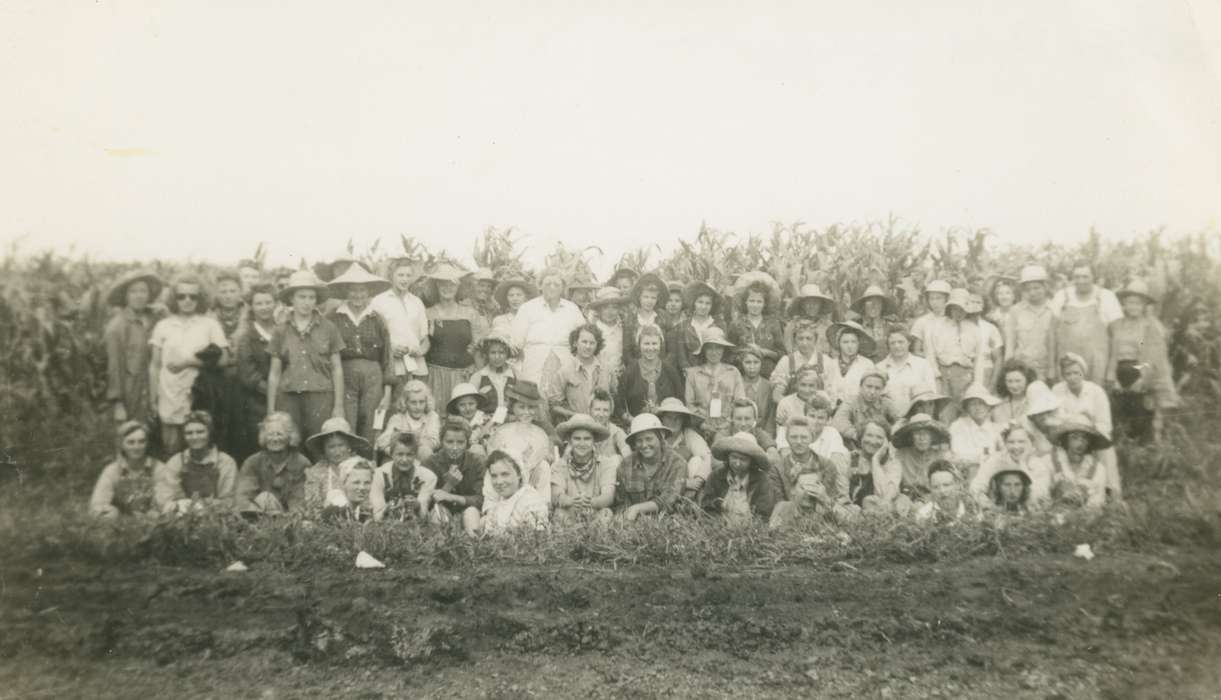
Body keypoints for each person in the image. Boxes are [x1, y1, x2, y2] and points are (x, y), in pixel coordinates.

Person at [149, 273, 231, 455]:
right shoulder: (163, 326)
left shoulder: (209, 325)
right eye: (181, 296)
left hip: (199, 395)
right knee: (171, 449)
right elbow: (154, 365)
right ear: (174, 298)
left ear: (200, 299)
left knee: (200, 447)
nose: (187, 300)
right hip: (169, 395)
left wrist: (188, 362)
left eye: (193, 296)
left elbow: (224, 359)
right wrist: (153, 399)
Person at [266, 270, 345, 451]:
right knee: (291, 444)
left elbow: (337, 368)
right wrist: (271, 411)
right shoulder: (281, 330)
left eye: (311, 297)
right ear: (291, 299)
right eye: (301, 297)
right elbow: (274, 373)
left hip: (321, 396)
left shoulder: (328, 328)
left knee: (318, 446)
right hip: (288, 397)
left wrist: (338, 406)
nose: (306, 302)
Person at [325, 266, 395, 446]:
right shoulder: (334, 317)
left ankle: (367, 466)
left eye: (362, 290)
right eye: (353, 290)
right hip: (344, 376)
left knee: (372, 424)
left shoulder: (377, 318)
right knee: (346, 421)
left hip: (373, 376)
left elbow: (387, 356)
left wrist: (387, 394)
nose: (358, 295)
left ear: (369, 292)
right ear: (346, 291)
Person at [1106, 279, 1180, 443]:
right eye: (1130, 302)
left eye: (1138, 303)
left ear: (1145, 305)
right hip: (1119, 374)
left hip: (1139, 373)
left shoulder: (1150, 327)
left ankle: (1140, 449)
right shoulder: (1116, 325)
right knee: (1118, 415)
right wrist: (1113, 378)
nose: (1133, 307)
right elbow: (1111, 353)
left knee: (1140, 416)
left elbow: (1154, 357)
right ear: (1123, 304)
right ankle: (1122, 448)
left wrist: (1142, 380)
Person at [1052, 352, 1120, 498]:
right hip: (1066, 437)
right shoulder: (1057, 391)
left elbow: (1105, 424)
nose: (1072, 377)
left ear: (1084, 373)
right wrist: (1074, 421)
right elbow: (1054, 420)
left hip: (1092, 436)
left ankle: (1111, 493)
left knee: (1107, 451)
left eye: (1077, 373)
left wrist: (1088, 429)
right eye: (1068, 374)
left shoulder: (1096, 392)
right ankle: (1064, 491)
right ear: (1063, 376)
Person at [511, 268, 587, 398]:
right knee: (535, 402)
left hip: (565, 364)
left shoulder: (572, 309)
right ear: (540, 286)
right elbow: (516, 343)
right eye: (547, 284)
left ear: (563, 287)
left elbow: (584, 337)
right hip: (534, 364)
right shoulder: (528, 308)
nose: (552, 287)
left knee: (562, 400)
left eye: (557, 284)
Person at [103, 269, 163, 426]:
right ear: (126, 296)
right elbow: (114, 367)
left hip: (155, 387)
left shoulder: (155, 319)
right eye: (133, 291)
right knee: (133, 433)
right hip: (131, 391)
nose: (139, 296)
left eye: (143, 291)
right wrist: (118, 403)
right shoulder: (117, 327)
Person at [768, 416, 851, 526]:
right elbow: (779, 505)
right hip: (790, 520)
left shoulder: (826, 465)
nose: (799, 442)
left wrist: (823, 496)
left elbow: (831, 500)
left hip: (821, 519)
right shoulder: (778, 469)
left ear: (812, 438)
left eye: (804, 437)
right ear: (787, 438)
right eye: (793, 437)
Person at [425, 264, 487, 409]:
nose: (448, 288)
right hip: (436, 375)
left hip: (463, 374)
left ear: (458, 287)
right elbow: (423, 343)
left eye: (452, 284)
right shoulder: (428, 313)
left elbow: (478, 347)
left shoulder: (470, 313)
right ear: (436, 287)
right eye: (443, 284)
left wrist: (478, 373)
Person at [1050, 262, 1121, 385]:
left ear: (1094, 277)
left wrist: (1111, 370)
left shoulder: (1106, 297)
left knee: (1095, 399)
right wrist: (1051, 367)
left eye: (1085, 277)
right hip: (1067, 364)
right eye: (1077, 277)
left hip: (1097, 366)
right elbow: (1051, 333)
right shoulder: (1062, 296)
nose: (1080, 281)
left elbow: (1117, 336)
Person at [485, 380, 555, 506]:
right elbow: (489, 438)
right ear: (513, 407)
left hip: (532, 471)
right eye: (521, 407)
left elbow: (551, 445)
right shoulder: (504, 423)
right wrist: (501, 413)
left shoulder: (542, 425)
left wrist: (544, 456)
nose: (526, 412)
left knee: (544, 467)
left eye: (531, 408)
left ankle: (543, 506)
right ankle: (492, 506)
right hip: (507, 471)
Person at [154, 410, 238, 514]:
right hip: (183, 518)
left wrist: (198, 507)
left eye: (200, 432)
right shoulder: (176, 462)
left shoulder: (225, 462)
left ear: (209, 433)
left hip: (217, 518)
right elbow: (168, 497)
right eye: (189, 433)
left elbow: (228, 501)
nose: (194, 437)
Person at [232, 284, 278, 462]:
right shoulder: (246, 336)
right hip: (255, 402)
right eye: (259, 303)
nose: (265, 307)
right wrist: (273, 393)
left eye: (268, 302)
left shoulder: (283, 330)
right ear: (251, 306)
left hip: (282, 397)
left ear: (275, 304)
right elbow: (249, 376)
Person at [236, 411, 313, 514]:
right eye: (270, 434)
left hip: (289, 519)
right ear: (264, 436)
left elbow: (299, 502)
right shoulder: (252, 462)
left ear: (290, 436)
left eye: (279, 434)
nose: (275, 439)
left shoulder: (302, 464)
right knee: (264, 498)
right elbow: (243, 497)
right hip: (257, 516)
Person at [924, 289, 983, 421]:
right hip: (944, 375)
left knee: (965, 412)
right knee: (945, 413)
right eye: (955, 309)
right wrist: (936, 376)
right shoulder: (936, 327)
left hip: (966, 375)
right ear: (949, 308)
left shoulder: (974, 330)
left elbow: (979, 359)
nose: (958, 313)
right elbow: (930, 354)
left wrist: (977, 382)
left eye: (962, 309)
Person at [615, 414, 688, 520]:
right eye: (639, 440)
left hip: (668, 523)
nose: (644, 445)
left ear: (661, 436)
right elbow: (621, 503)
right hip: (633, 523)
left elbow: (669, 499)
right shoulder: (625, 465)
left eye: (649, 439)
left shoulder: (677, 463)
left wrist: (637, 509)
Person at [872, 413, 951, 511]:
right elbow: (893, 479)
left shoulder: (940, 456)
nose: (922, 438)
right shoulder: (901, 454)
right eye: (917, 433)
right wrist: (887, 498)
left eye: (926, 433)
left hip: (932, 499)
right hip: (906, 500)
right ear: (911, 436)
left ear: (932, 437)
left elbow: (946, 486)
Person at [371, 258, 431, 384]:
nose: (405, 279)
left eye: (408, 275)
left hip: (417, 367)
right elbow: (373, 335)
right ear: (391, 276)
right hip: (392, 366)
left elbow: (425, 339)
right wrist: (390, 348)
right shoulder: (379, 301)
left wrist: (421, 350)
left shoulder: (417, 302)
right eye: (400, 275)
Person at [551, 414, 620, 524]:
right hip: (570, 512)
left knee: (607, 513)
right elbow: (556, 495)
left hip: (595, 511)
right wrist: (571, 501)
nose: (582, 444)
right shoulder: (559, 465)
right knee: (559, 513)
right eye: (577, 439)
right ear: (569, 440)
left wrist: (592, 502)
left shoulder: (606, 464)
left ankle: (595, 538)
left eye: (587, 439)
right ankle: (570, 538)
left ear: (594, 440)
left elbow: (608, 496)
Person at [969, 423, 1053, 512]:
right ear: (1005, 444)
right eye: (1011, 442)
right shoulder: (995, 460)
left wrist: (1023, 463)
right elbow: (976, 488)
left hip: (1029, 512)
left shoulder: (1038, 464)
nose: (1016, 446)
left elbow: (1039, 494)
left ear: (1031, 443)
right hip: (999, 510)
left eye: (1021, 441)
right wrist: (990, 506)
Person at [90, 421, 163, 518]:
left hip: (152, 522)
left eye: (141, 441)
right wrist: (111, 512)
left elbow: (165, 501)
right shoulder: (112, 470)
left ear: (147, 443)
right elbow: (97, 504)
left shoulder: (159, 468)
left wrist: (154, 512)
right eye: (131, 442)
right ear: (122, 445)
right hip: (121, 524)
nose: (136, 447)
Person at [425, 417, 486, 533]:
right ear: (442, 441)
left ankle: (472, 546)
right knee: (437, 514)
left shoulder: (477, 462)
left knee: (471, 512)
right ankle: (440, 546)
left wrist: (452, 497)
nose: (454, 447)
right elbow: (426, 502)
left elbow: (481, 499)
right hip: (442, 509)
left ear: (467, 443)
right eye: (449, 442)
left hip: (469, 510)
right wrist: (449, 485)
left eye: (460, 442)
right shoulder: (431, 462)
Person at [702, 432, 778, 524]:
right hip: (718, 530)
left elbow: (763, 514)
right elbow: (707, 509)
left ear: (752, 461)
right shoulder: (715, 476)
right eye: (734, 457)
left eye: (743, 459)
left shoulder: (762, 480)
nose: (737, 463)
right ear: (728, 456)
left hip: (751, 533)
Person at [684, 327, 745, 437]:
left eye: (718, 348)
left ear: (723, 350)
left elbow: (740, 403)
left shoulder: (733, 372)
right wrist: (703, 425)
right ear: (704, 350)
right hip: (700, 429)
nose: (714, 352)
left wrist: (728, 423)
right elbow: (689, 405)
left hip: (729, 428)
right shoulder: (693, 374)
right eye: (710, 348)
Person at [1004, 265, 1058, 382]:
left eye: (1036, 287)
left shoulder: (1055, 310)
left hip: (1048, 371)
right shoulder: (1015, 311)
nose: (1032, 292)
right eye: (1028, 289)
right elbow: (1010, 344)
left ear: (1045, 286)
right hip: (1022, 370)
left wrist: (1052, 370)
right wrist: (1008, 370)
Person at [618, 324, 684, 419]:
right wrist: (630, 419)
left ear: (660, 344)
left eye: (654, 343)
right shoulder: (630, 371)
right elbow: (619, 405)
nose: (650, 348)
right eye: (646, 343)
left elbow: (680, 401)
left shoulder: (670, 371)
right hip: (637, 424)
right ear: (639, 345)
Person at [304, 416, 373, 507]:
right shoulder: (316, 472)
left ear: (349, 446)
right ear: (324, 449)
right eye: (331, 447)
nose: (337, 451)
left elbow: (371, 497)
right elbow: (312, 503)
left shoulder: (363, 466)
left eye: (341, 445)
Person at [727, 275, 786, 379]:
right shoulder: (736, 324)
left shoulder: (773, 324)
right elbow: (727, 355)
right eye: (752, 301)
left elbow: (782, 354)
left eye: (759, 301)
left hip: (768, 375)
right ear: (745, 302)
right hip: (742, 376)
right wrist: (744, 354)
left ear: (765, 304)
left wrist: (766, 352)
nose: (755, 305)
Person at [549, 323, 610, 422]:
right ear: (575, 343)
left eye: (592, 343)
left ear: (597, 345)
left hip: (601, 424)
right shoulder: (565, 371)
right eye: (584, 342)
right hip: (576, 427)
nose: (588, 346)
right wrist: (575, 416)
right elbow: (554, 406)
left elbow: (612, 397)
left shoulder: (605, 369)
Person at [654, 397, 714, 499]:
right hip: (662, 484)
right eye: (669, 417)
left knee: (697, 460)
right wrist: (683, 483)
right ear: (662, 419)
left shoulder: (688, 434)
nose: (674, 421)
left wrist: (697, 480)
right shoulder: (656, 437)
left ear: (683, 420)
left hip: (689, 487)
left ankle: (689, 504)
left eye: (678, 418)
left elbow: (707, 456)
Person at [371, 432, 438, 521]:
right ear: (391, 454)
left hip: (415, 524)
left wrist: (417, 505)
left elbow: (424, 514)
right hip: (387, 522)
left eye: (409, 454)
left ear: (415, 455)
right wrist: (389, 508)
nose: (404, 459)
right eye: (400, 454)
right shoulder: (378, 475)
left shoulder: (428, 477)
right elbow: (377, 514)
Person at [480, 449, 550, 534]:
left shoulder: (530, 500)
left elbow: (537, 538)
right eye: (494, 476)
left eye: (505, 474)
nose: (499, 481)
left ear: (519, 474)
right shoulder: (498, 504)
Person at [876, 325, 937, 417]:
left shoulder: (923, 365)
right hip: (888, 418)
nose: (897, 346)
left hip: (917, 417)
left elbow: (931, 396)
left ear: (909, 342)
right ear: (888, 346)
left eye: (901, 342)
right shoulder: (879, 367)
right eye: (892, 343)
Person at [1049, 419, 1111, 509]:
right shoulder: (1050, 462)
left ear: (1090, 443)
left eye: (1085, 438)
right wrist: (1059, 494)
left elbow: (1098, 505)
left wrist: (1083, 501)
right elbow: (1040, 498)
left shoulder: (1099, 469)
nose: (1080, 444)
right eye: (1074, 437)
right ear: (1065, 440)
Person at [376, 379, 441, 461]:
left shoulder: (432, 416)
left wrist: (404, 441)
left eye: (421, 402)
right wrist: (399, 452)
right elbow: (382, 441)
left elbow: (434, 441)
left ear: (427, 401)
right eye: (413, 402)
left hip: (421, 458)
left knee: (425, 451)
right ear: (405, 402)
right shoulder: (398, 418)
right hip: (401, 459)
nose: (418, 407)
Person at [948, 383, 1002, 480]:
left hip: (991, 474)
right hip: (964, 474)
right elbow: (958, 455)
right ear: (967, 408)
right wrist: (980, 459)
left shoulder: (995, 429)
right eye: (973, 404)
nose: (978, 408)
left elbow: (1000, 455)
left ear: (988, 406)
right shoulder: (958, 426)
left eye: (982, 403)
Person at [831, 371, 900, 446]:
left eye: (877, 388)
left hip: (880, 444)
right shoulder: (851, 402)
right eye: (869, 386)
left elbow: (901, 420)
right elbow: (839, 421)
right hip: (856, 445)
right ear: (860, 387)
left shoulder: (886, 403)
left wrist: (889, 434)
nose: (872, 392)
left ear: (882, 390)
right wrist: (858, 436)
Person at [770, 320, 825, 406]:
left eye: (809, 338)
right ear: (795, 340)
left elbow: (831, 394)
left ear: (815, 339)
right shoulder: (786, 361)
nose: (804, 343)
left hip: (817, 412)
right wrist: (792, 407)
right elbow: (776, 395)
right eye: (800, 338)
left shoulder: (826, 361)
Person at [672, 280, 723, 375]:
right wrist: (690, 373)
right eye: (700, 302)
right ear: (694, 303)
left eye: (708, 303)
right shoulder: (682, 326)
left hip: (715, 373)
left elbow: (723, 353)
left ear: (712, 306)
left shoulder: (719, 325)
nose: (703, 306)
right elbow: (681, 356)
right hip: (690, 375)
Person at [714, 398, 780, 467]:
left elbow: (774, 458)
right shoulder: (723, 434)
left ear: (755, 419)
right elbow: (716, 463)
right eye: (738, 419)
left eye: (747, 419)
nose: (743, 424)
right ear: (732, 419)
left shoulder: (759, 433)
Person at [822, 321, 877, 405]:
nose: (850, 346)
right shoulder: (830, 364)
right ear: (839, 344)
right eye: (845, 342)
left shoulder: (867, 364)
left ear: (858, 343)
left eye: (853, 342)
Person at [621, 273, 671, 365]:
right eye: (646, 297)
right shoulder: (630, 320)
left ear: (657, 299)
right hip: (637, 369)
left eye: (653, 298)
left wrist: (663, 366)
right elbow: (627, 352)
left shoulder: (664, 317)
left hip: (661, 368)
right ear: (639, 297)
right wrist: (637, 368)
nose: (649, 301)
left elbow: (671, 348)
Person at [470, 332, 518, 417]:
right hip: (486, 423)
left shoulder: (515, 375)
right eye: (493, 353)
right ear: (487, 354)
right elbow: (471, 404)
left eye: (501, 352)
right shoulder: (478, 377)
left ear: (507, 354)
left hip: (511, 422)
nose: (497, 357)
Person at [588, 287, 628, 381]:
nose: (610, 312)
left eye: (614, 307)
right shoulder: (593, 329)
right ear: (599, 310)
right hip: (597, 377)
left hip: (620, 377)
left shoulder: (623, 328)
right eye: (605, 307)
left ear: (619, 309)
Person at [783, 284, 835, 356]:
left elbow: (835, 352)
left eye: (815, 303)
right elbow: (789, 350)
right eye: (808, 303)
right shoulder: (792, 326)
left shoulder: (828, 326)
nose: (812, 306)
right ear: (802, 305)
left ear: (820, 305)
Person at [850, 285, 897, 362]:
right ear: (863, 305)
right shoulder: (855, 327)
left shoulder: (891, 327)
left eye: (878, 302)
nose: (874, 306)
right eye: (869, 302)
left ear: (882, 306)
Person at [322, 457, 377, 522]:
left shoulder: (362, 511)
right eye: (356, 482)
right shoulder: (336, 511)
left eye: (367, 483)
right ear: (343, 483)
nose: (362, 487)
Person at [848, 420, 889, 507]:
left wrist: (875, 460)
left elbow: (883, 494)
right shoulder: (851, 459)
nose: (873, 441)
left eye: (879, 437)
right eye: (869, 435)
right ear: (861, 437)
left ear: (886, 442)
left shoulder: (889, 464)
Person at [446, 382, 492, 456]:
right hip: (459, 454)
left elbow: (491, 440)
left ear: (477, 403)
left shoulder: (485, 419)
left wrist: (481, 441)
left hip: (481, 454)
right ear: (456, 406)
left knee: (476, 449)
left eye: (471, 404)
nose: (467, 408)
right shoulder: (454, 421)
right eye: (462, 405)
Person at [737, 346, 776, 434]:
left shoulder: (768, 386)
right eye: (748, 362)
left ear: (761, 364)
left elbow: (771, 417)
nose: (752, 367)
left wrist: (767, 436)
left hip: (763, 432)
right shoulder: (737, 383)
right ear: (741, 363)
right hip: (740, 430)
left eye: (756, 362)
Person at [909, 279, 951, 356]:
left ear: (946, 299)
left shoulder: (953, 320)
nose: (934, 302)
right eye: (931, 298)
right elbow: (916, 351)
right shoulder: (922, 321)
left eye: (938, 298)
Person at [991, 359, 1037, 424]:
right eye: (1009, 381)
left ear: (1027, 380)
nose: (1014, 386)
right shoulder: (998, 406)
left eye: (1018, 381)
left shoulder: (1034, 403)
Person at [589, 389, 631, 458]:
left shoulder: (616, 432)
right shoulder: (582, 429)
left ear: (610, 412)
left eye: (605, 410)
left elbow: (628, 457)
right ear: (590, 410)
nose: (601, 414)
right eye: (597, 409)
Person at [211, 272, 247, 342]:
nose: (228, 296)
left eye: (232, 291)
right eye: (223, 292)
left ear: (240, 292)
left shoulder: (250, 314)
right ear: (216, 294)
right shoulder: (208, 316)